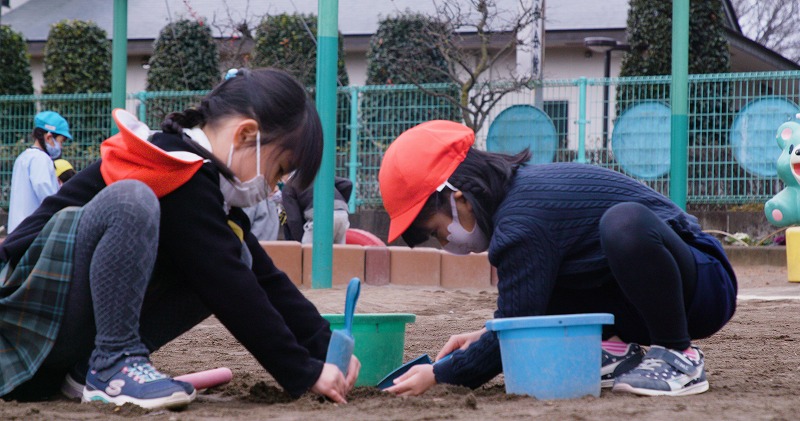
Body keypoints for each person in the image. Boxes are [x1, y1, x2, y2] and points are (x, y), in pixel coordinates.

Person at [0, 68, 360, 410]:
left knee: (233, 254)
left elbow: (262, 279)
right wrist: (303, 371)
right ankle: (113, 361)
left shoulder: (206, 191)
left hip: (55, 347)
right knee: (132, 200)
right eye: (278, 170)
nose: (274, 187)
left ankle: (90, 370)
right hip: (20, 332)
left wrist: (326, 349)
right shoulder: (171, 166)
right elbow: (229, 286)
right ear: (246, 135)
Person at [378, 120, 737, 397]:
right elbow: (523, 312)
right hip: (637, 303)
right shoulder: (517, 213)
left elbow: (515, 329)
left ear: (460, 200)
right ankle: (611, 351)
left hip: (704, 286)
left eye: (439, 232)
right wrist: (486, 333)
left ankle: (678, 356)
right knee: (550, 275)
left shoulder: (522, 220)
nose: (446, 244)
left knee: (623, 224)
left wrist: (441, 373)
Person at [7, 111, 72, 234]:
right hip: (33, 232)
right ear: (48, 137)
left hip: (17, 230)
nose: (61, 146)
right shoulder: (41, 159)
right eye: (61, 141)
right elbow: (47, 195)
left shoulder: (24, 157)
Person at [282, 176, 352, 244]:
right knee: (339, 253)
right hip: (342, 213)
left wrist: (300, 241)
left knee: (308, 252)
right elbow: (347, 184)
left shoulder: (289, 186)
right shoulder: (316, 176)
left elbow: (294, 219)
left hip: (320, 218)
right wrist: (337, 205)